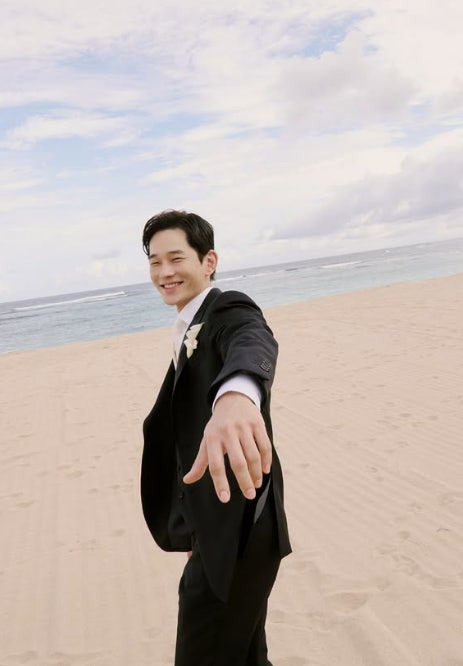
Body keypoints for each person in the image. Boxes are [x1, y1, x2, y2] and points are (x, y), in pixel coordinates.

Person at [140, 210, 291, 666]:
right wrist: (193, 528)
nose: (164, 272)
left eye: (176, 259)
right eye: (154, 262)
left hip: (241, 531)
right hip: (216, 533)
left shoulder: (227, 309)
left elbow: (252, 337)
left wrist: (237, 395)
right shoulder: (187, 326)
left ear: (209, 261)